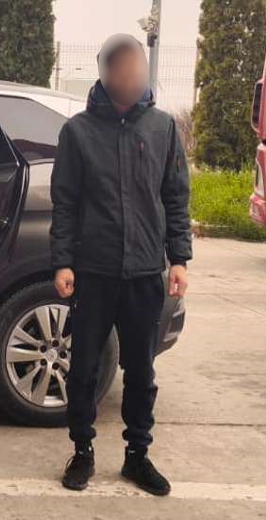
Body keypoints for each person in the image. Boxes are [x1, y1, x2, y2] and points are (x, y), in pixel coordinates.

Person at [50, 34, 192, 495]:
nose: (131, 79)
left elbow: (175, 196)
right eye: (122, 71)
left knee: (141, 371)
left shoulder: (162, 128)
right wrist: (63, 262)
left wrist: (179, 258)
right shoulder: (78, 133)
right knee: (84, 368)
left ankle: (137, 455)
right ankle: (82, 450)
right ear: (106, 73)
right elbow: (65, 202)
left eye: (137, 70)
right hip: (93, 271)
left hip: (145, 273)